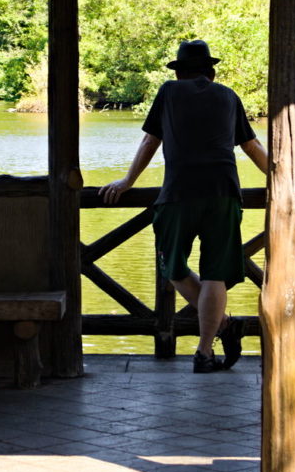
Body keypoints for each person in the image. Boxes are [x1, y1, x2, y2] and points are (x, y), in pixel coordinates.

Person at [100, 39, 268, 373]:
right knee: (215, 274)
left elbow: (151, 140)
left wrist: (127, 182)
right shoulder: (228, 95)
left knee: (173, 268)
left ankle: (212, 341)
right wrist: (282, 178)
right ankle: (211, 344)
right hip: (223, 193)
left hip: (178, 194)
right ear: (211, 72)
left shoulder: (168, 92)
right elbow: (250, 145)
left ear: (179, 73)